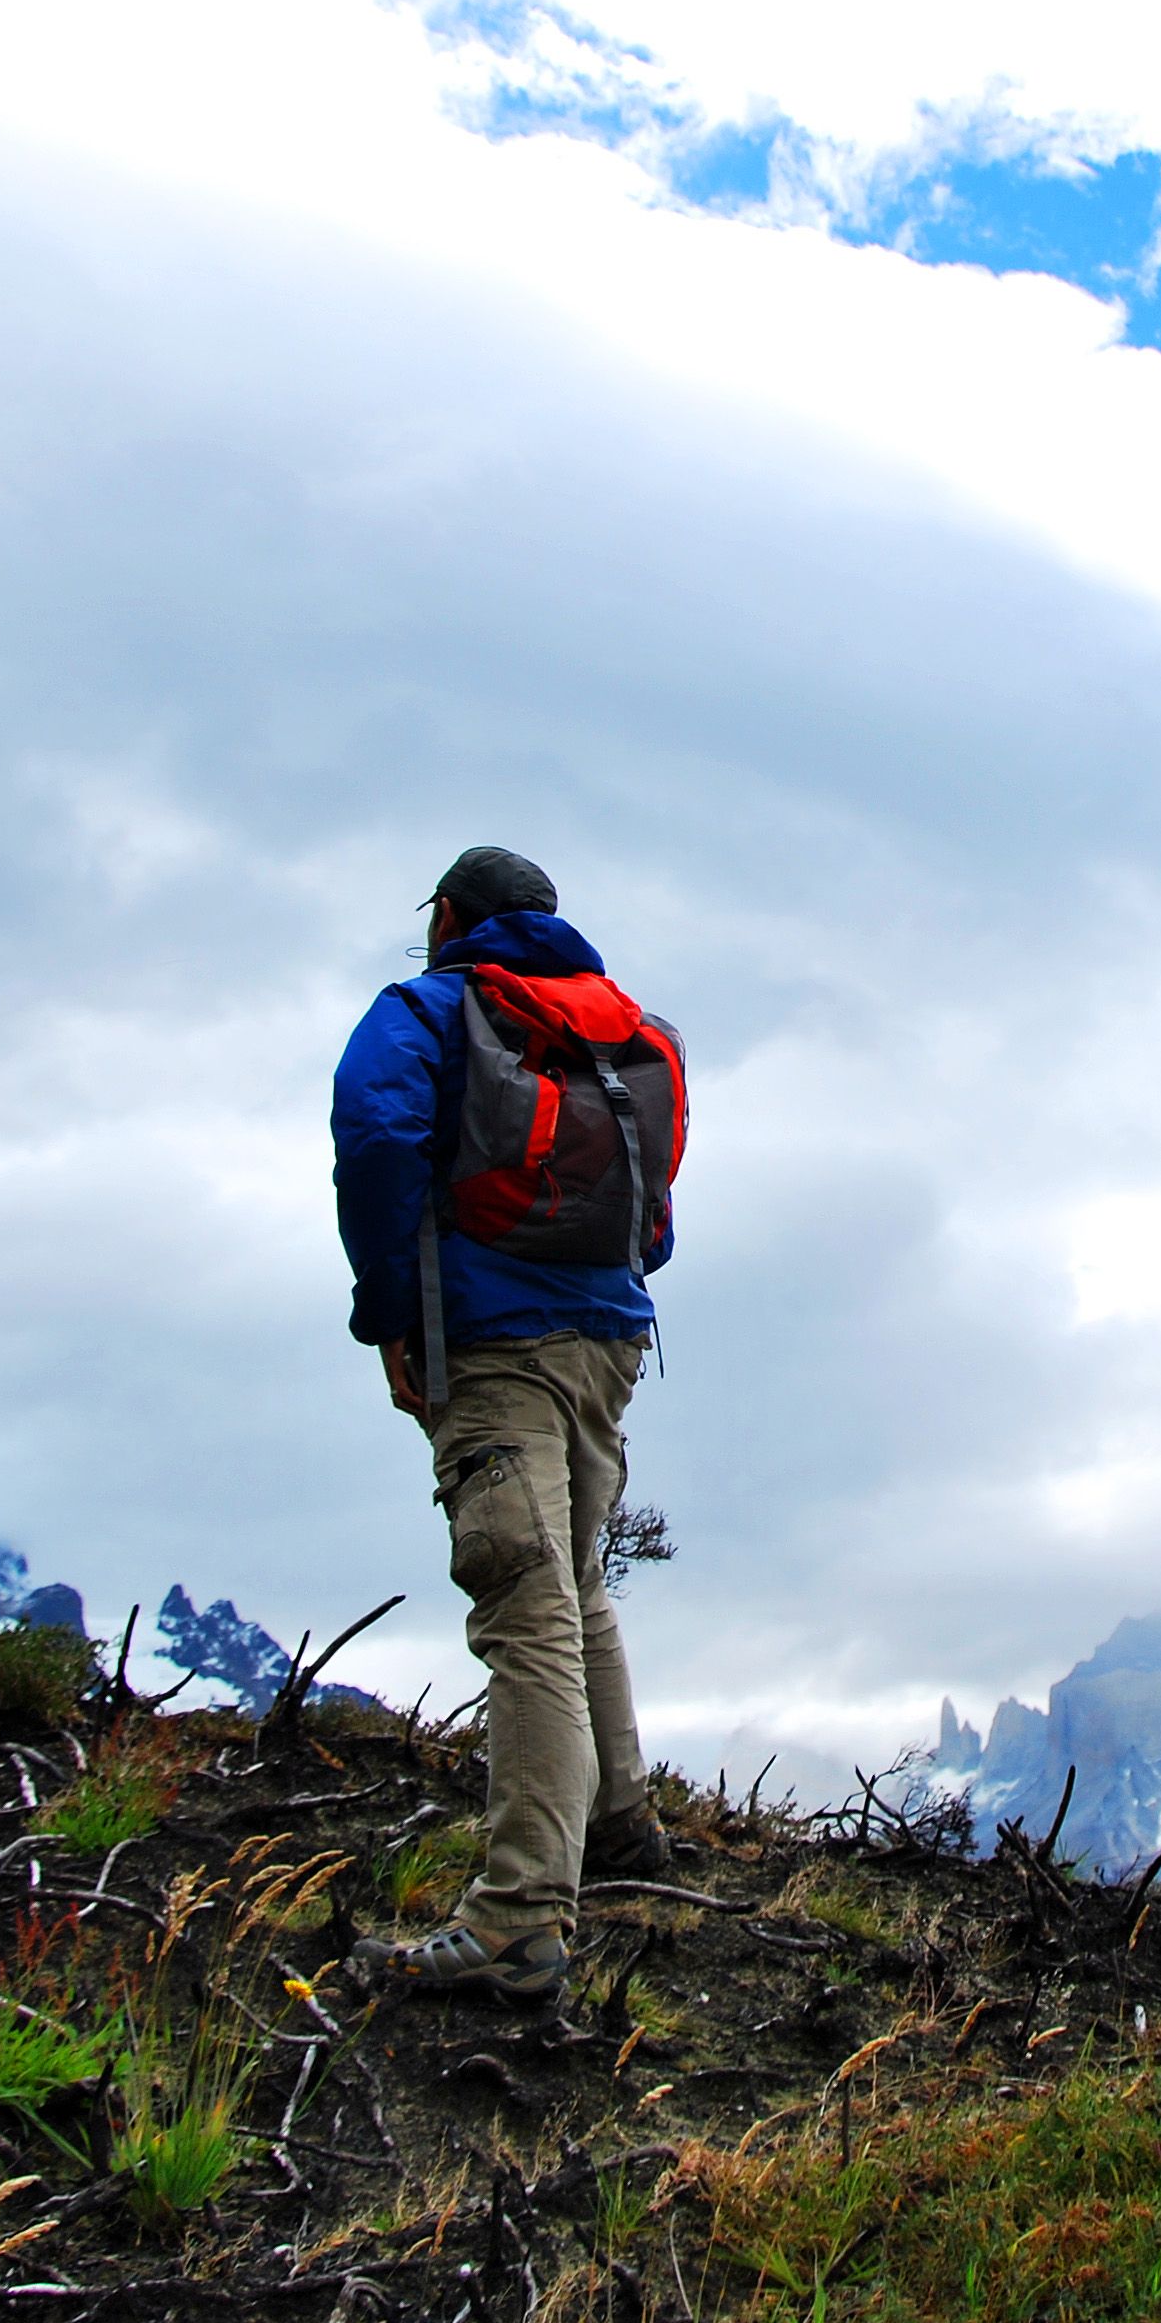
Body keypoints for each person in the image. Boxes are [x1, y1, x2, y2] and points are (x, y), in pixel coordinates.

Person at [329, 845, 688, 2001]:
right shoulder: (632, 1031)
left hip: (494, 1342)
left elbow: (375, 1139)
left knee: (521, 1601)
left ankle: (519, 1921)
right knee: (572, 1575)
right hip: (610, 1338)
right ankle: (619, 1825)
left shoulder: (423, 1013)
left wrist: (390, 1313)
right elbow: (654, 1195)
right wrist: (617, 1278)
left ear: (448, 915)